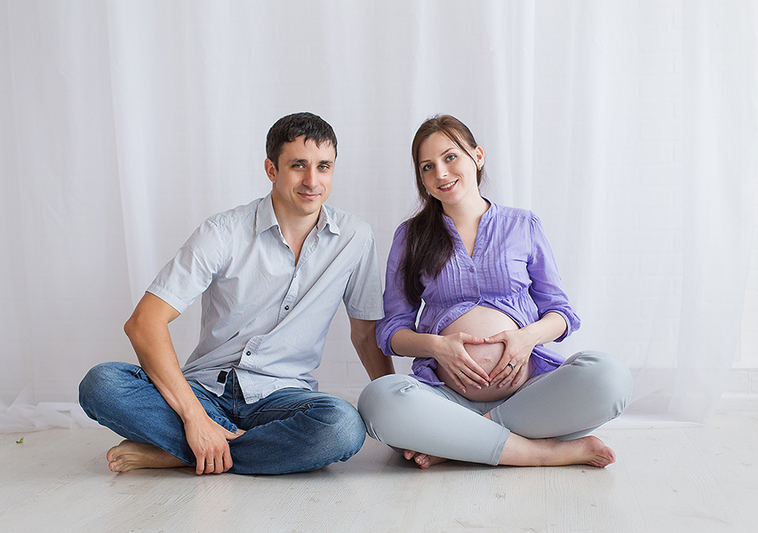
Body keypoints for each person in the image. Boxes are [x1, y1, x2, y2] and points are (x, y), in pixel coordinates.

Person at [79, 112, 394, 475]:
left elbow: (366, 336)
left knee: (342, 427)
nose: (312, 180)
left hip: (280, 398)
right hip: (204, 391)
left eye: (324, 166)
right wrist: (195, 417)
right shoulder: (223, 231)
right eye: (298, 165)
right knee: (101, 384)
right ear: (271, 169)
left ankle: (184, 453)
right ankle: (224, 444)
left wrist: (395, 418)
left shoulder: (355, 237)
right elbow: (143, 323)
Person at [358, 115, 632, 469]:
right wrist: (438, 347)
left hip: (529, 395)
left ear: (478, 156)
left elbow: (562, 314)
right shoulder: (410, 236)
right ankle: (539, 452)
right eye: (427, 167)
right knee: (377, 401)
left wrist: (526, 338)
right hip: (446, 399)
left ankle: (460, 440)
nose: (441, 173)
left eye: (450, 157)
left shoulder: (523, 225)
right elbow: (392, 331)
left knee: (610, 377)